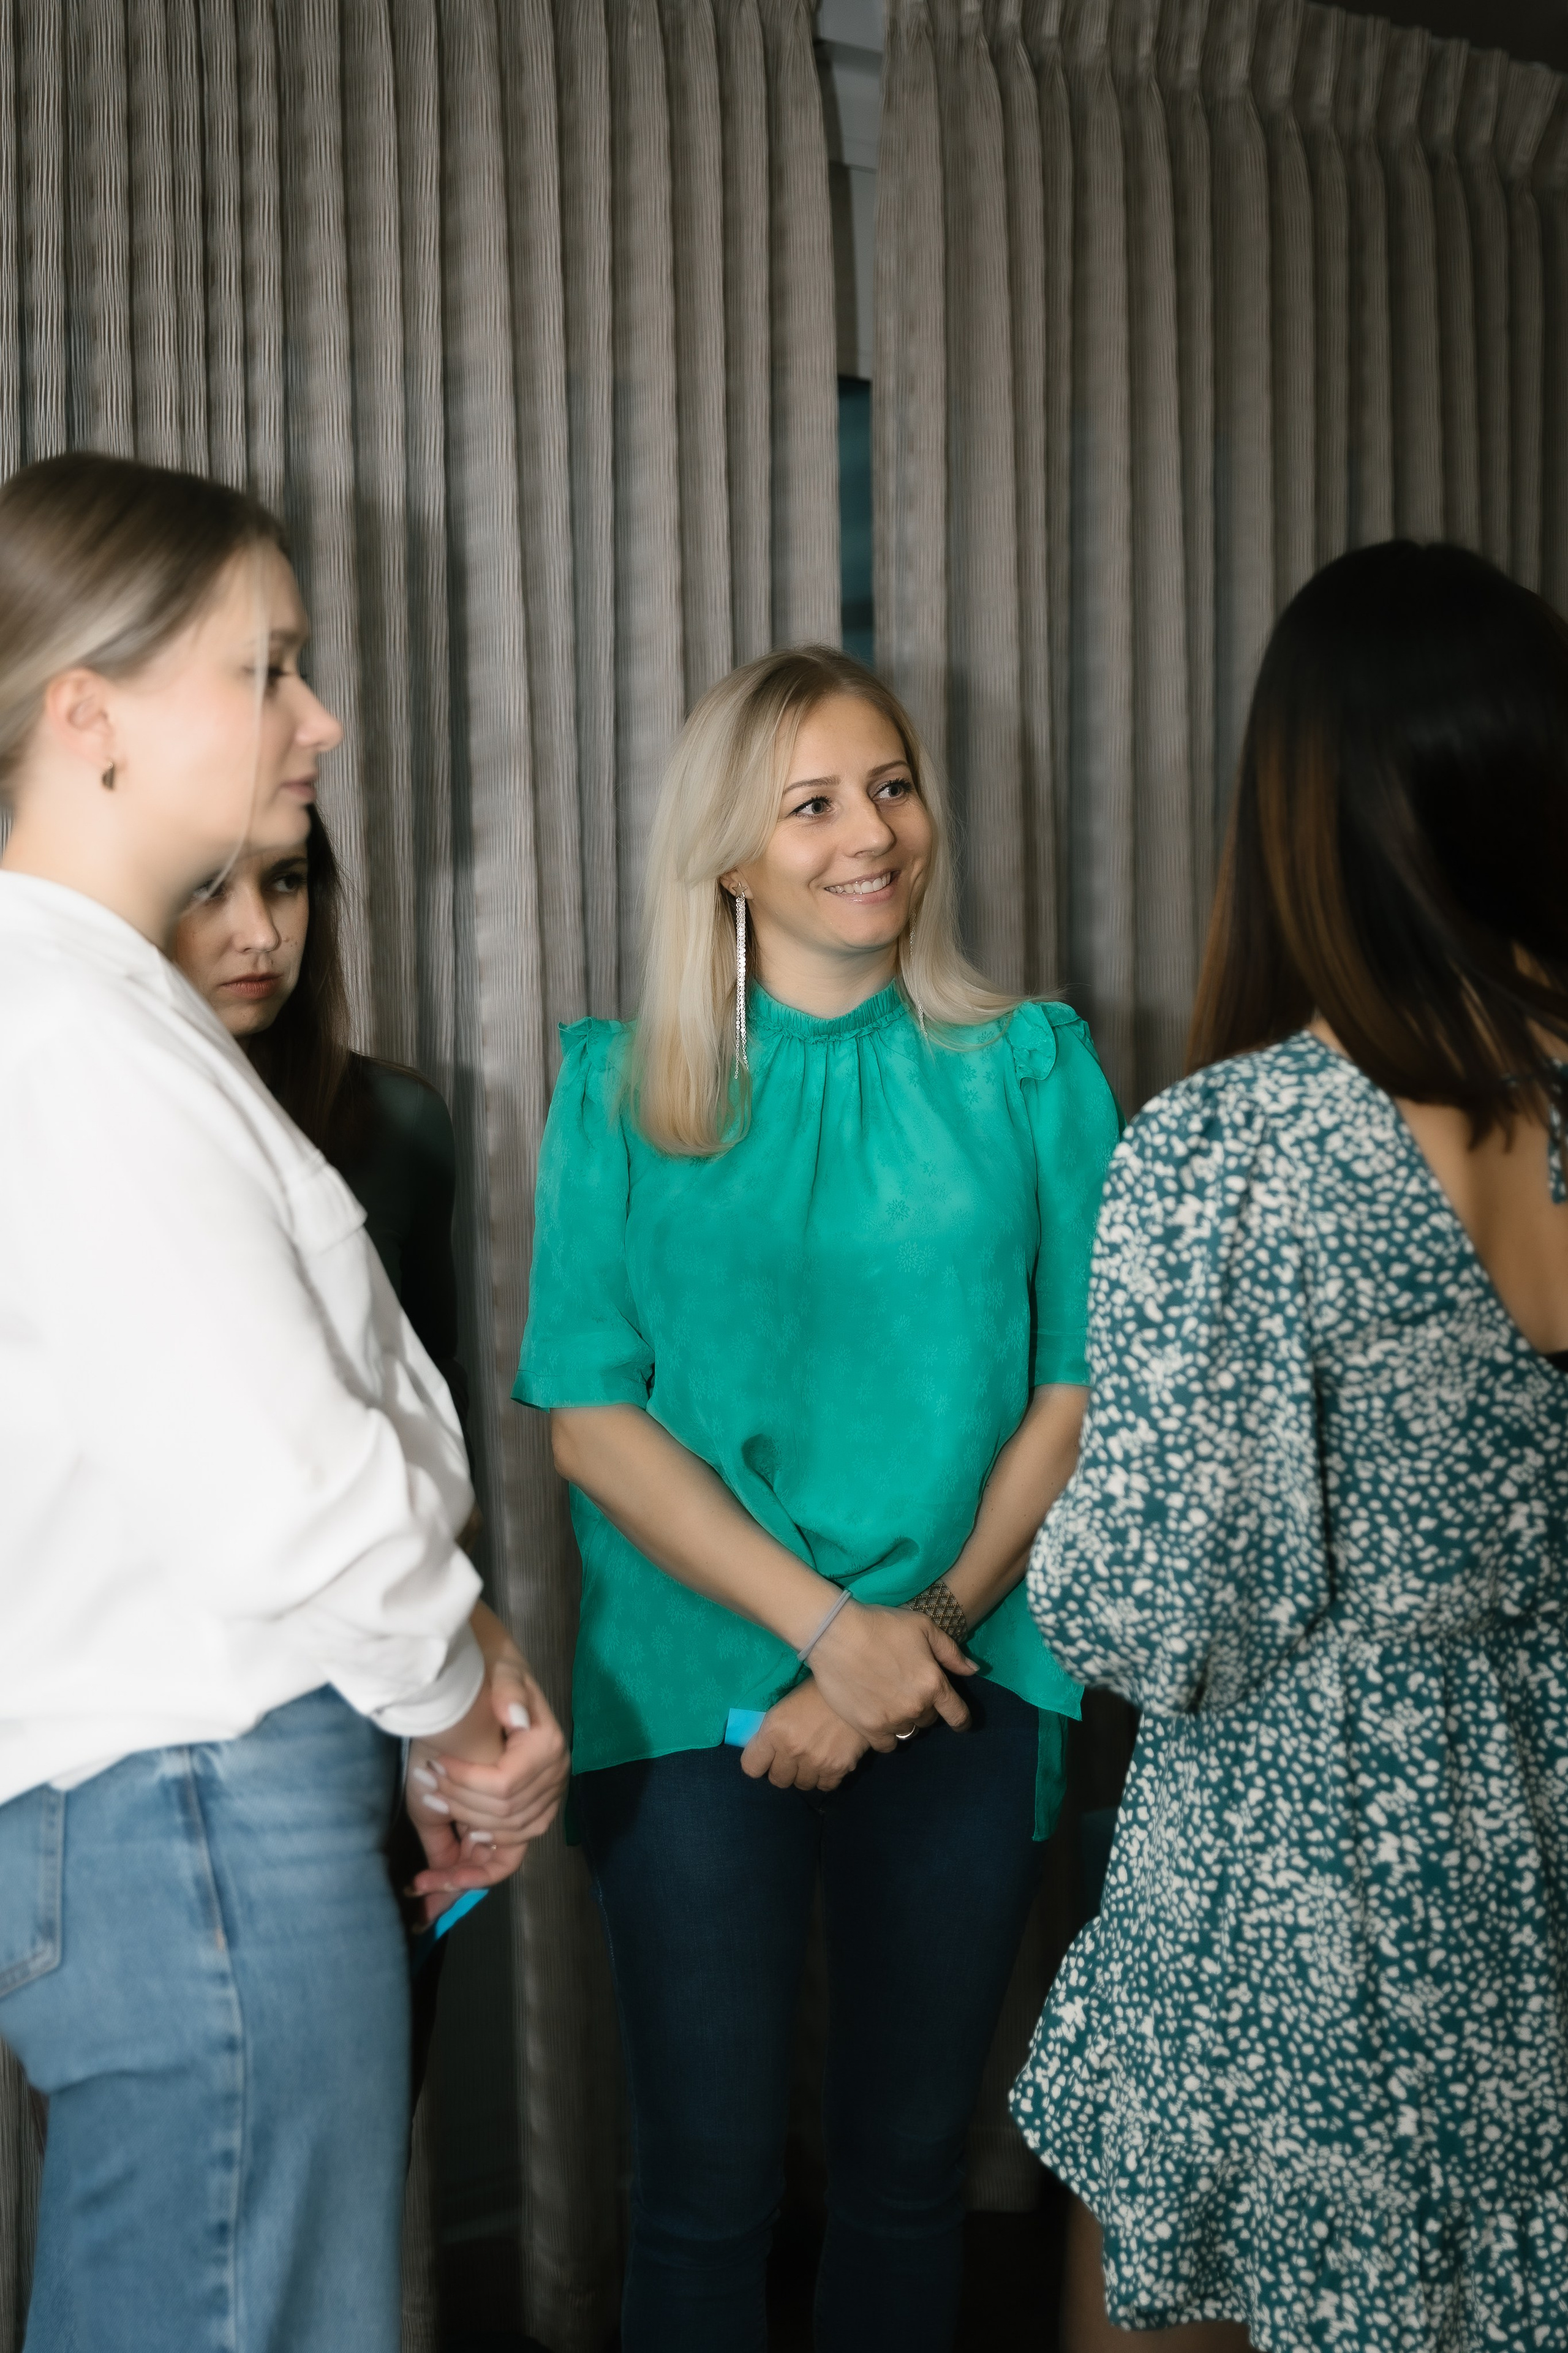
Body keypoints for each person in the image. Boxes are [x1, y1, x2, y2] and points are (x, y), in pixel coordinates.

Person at [0, 451, 562, 2353]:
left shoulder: (98, 1013)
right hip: (203, 1823)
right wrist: (469, 1700)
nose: (319, 718)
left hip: (196, 1816)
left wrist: (438, 1680)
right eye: (269, 669)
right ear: (87, 716)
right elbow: (286, 1489)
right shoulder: (62, 1024)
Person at [514, 645, 1122, 2352]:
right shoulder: (620, 1085)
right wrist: (824, 1638)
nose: (872, 831)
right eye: (812, 803)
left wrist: (905, 1643)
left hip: (967, 1679)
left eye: (892, 786)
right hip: (694, 1689)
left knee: (909, 2178)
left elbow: (1079, 1388)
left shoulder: (1034, 1067)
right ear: (728, 850)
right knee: (702, 2193)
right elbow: (588, 1417)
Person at [1011, 541, 1568, 2351]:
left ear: (1306, 815)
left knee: (1195, 2281)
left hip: (1298, 1845)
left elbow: (1176, 1613)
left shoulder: (1232, 1149)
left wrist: (1048, 1546)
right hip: (1536, 1805)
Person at [171, 809, 562, 2070]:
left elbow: (427, 1465)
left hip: (387, 1721)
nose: (257, 931)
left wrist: (457, 1716)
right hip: (159, 1752)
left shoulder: (394, 1126)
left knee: (354, 2154)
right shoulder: (80, 1128)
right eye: (207, 889)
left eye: (285, 884)